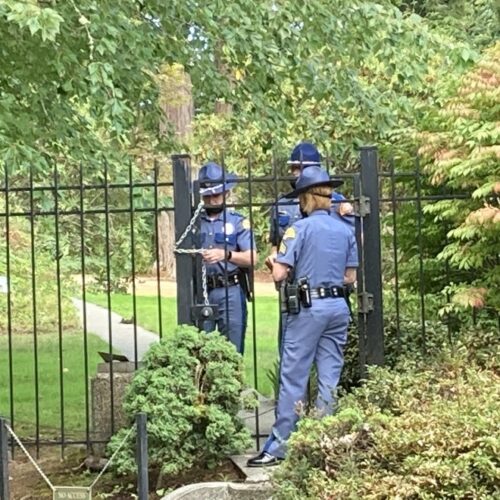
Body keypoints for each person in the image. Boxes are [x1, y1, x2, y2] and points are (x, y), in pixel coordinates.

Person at [247, 165, 358, 467]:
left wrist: (274, 264)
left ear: (308, 198)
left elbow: (281, 273)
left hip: (309, 310)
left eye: (300, 198)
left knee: (293, 377)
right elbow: (349, 278)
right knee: (329, 378)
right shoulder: (345, 230)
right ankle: (324, 441)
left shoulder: (299, 229)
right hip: (338, 309)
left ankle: (279, 448)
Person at [198, 162, 257, 354]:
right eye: (208, 195)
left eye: (216, 194)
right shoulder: (194, 222)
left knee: (232, 350)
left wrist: (226, 255)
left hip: (230, 289)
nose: (212, 199)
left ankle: (234, 384)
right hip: (202, 290)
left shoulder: (237, 221)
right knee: (200, 348)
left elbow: (252, 258)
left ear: (226, 193)